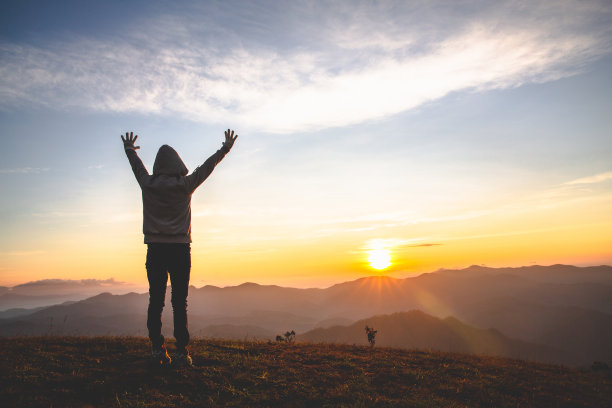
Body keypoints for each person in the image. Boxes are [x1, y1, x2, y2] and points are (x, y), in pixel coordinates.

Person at [121, 129, 237, 367]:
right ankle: (182, 353)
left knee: (156, 300)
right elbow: (207, 167)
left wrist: (129, 150)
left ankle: (156, 349)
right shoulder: (185, 185)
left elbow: (137, 167)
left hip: (154, 249)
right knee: (179, 301)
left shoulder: (148, 183)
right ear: (177, 163)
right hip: (180, 250)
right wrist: (225, 149)